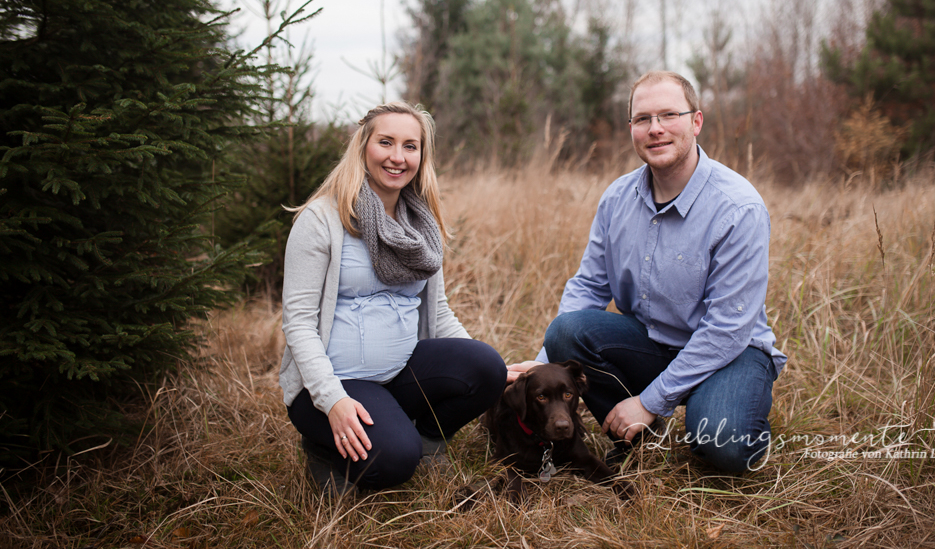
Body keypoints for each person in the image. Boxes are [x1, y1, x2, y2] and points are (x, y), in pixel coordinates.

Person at [510, 71, 786, 473]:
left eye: (668, 115)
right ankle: (635, 437)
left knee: (722, 444)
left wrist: (650, 401)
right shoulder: (617, 198)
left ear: (696, 122)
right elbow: (588, 286)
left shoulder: (738, 208)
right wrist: (542, 366)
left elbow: (727, 328)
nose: (655, 129)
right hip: (652, 344)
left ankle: (729, 415)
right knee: (566, 330)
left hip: (730, 353)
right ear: (632, 129)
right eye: (642, 119)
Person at [279, 101, 507, 493]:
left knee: (489, 368)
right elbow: (298, 324)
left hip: (400, 372)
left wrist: (491, 373)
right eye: (386, 142)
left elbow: (437, 312)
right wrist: (332, 400)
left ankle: (428, 442)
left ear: (422, 154)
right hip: (334, 384)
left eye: (410, 146)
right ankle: (322, 447)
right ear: (363, 147)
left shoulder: (422, 226)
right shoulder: (321, 221)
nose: (398, 157)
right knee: (397, 460)